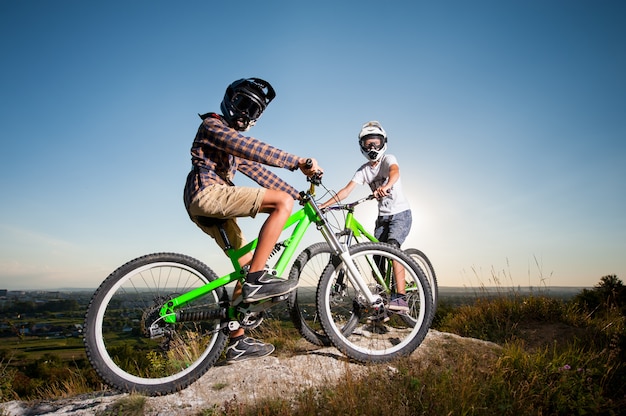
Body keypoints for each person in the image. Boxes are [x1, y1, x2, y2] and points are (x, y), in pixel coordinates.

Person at [183, 77, 322, 363]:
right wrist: (298, 161)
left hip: (206, 205)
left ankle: (237, 341)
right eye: (242, 103)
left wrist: (296, 192)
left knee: (245, 265)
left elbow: (259, 171)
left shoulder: (232, 148)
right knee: (280, 204)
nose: (245, 112)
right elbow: (250, 148)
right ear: (229, 102)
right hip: (208, 192)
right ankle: (258, 281)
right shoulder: (212, 126)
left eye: (253, 109)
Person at [320, 120, 412, 312]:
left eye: (376, 143)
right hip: (382, 219)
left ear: (383, 143)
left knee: (393, 248)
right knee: (377, 258)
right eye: (367, 143)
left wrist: (385, 187)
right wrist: (324, 205)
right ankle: (384, 300)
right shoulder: (363, 170)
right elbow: (346, 191)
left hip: (400, 214)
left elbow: (395, 173)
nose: (372, 147)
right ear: (361, 146)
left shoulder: (388, 159)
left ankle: (400, 298)